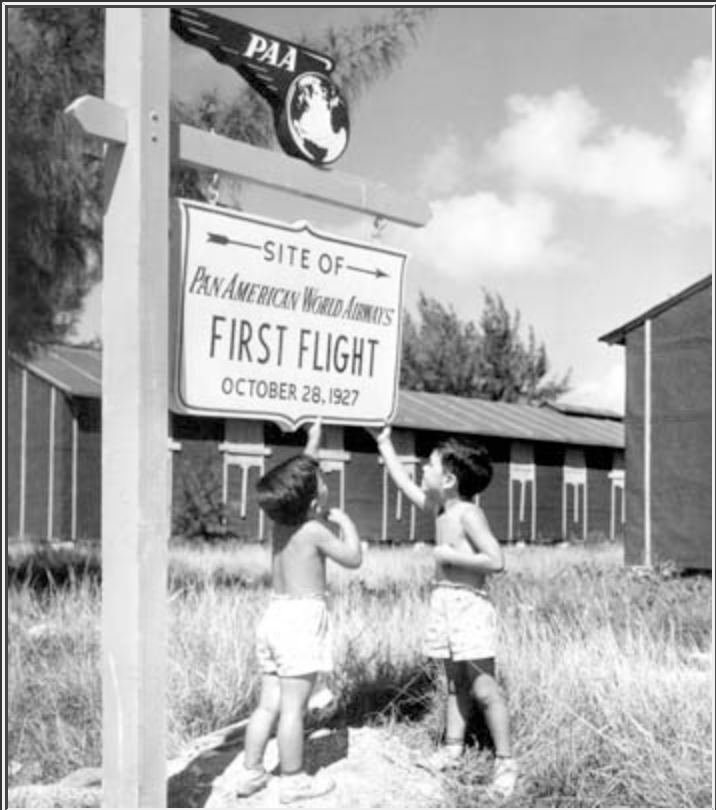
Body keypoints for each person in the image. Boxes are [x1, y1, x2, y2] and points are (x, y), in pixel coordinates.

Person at [371, 425, 518, 801]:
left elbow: (496, 560)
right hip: (445, 603)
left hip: (469, 605)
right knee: (454, 682)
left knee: (484, 687)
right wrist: (383, 441)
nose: (423, 468)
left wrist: (451, 556)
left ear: (449, 479)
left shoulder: (468, 514)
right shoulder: (439, 508)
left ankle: (505, 761)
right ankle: (453, 747)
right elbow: (403, 482)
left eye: (431, 465)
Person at [235, 419, 363, 804]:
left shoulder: (280, 524)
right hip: (301, 623)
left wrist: (313, 441)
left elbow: (301, 474)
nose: (325, 484)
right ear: (311, 501)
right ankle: (292, 780)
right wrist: (347, 525)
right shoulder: (316, 531)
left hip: (274, 617)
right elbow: (353, 559)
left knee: (269, 702)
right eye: (322, 483)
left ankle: (251, 772)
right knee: (294, 709)